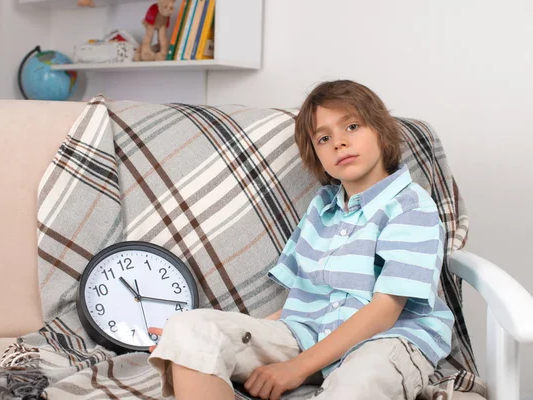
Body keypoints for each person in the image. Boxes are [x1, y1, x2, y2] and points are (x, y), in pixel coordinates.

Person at [147, 80, 454, 400]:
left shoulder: (411, 206)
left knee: (360, 382)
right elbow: (301, 299)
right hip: (307, 335)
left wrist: (297, 368)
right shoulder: (322, 209)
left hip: (386, 339)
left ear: (380, 131)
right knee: (187, 328)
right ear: (315, 153)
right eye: (324, 137)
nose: (339, 143)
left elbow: (386, 310)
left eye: (352, 126)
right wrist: (213, 343)